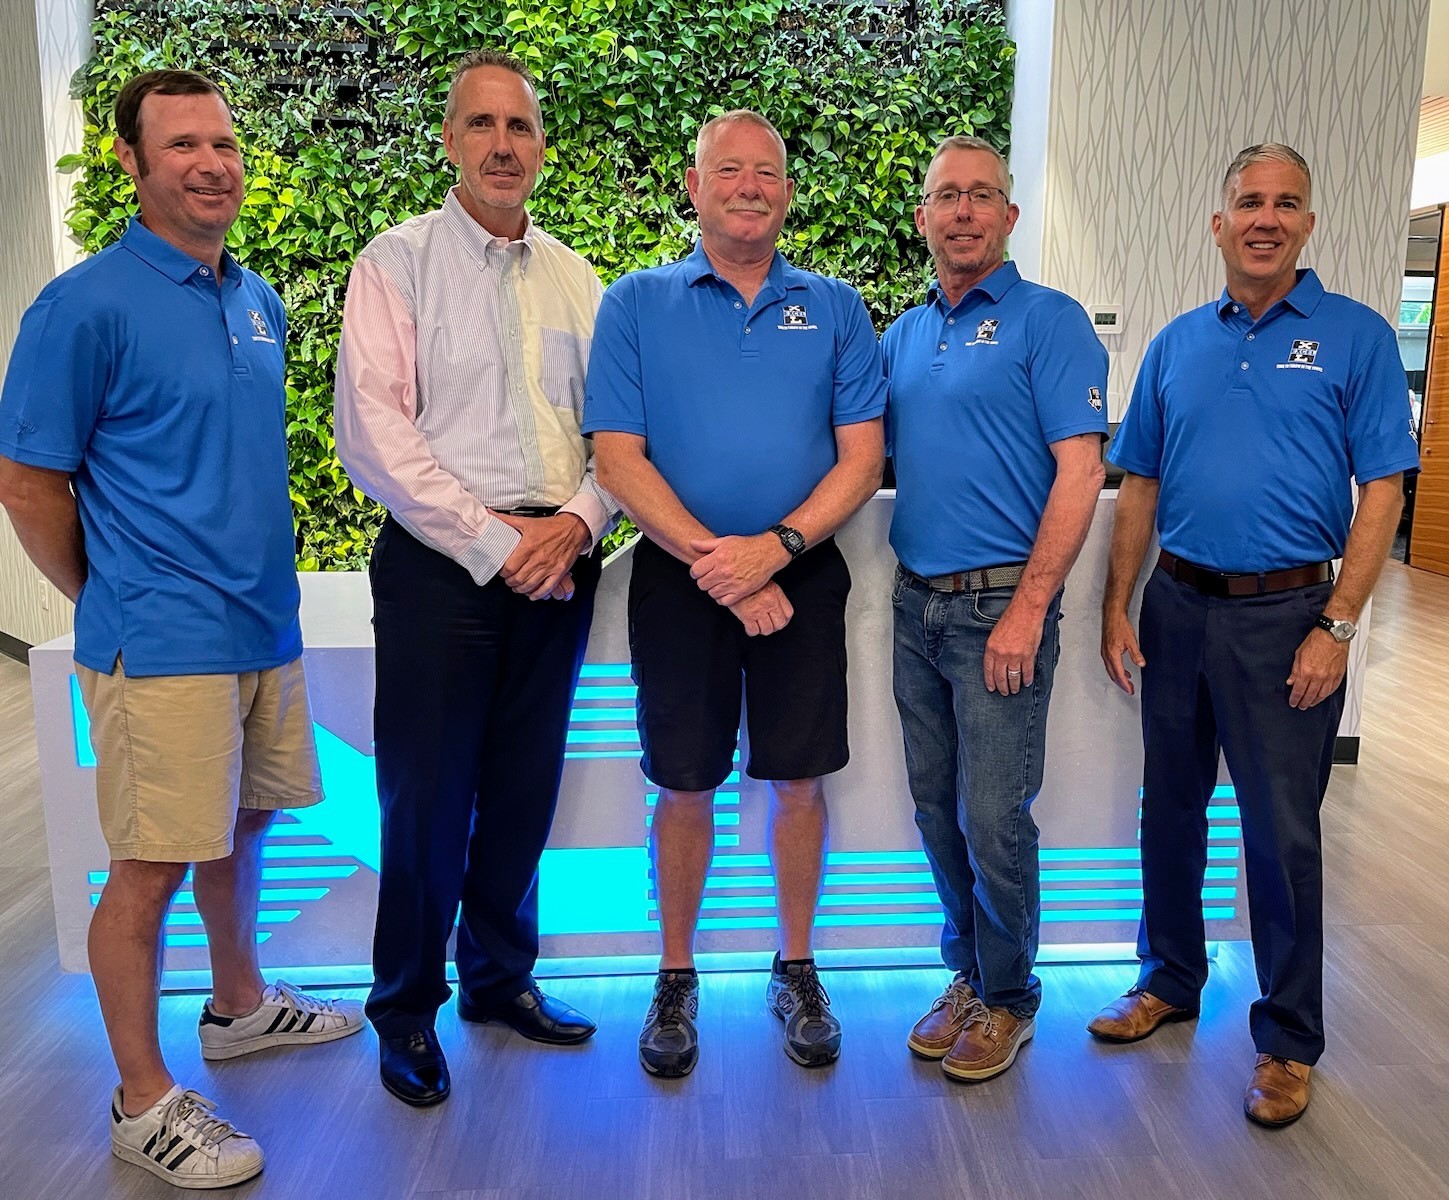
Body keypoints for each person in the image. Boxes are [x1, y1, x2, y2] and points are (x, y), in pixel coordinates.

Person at [0, 70, 363, 1190]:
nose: (213, 164)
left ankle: (240, 1006)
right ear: (132, 164)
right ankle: (140, 1099)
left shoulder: (257, 298)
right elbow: (27, 485)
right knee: (147, 867)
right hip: (161, 642)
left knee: (244, 827)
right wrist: (113, 597)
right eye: (184, 146)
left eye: (225, 144)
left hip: (263, 625)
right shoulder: (84, 306)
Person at [1090, 143, 1418, 1127]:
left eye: (1286, 203)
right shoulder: (1178, 344)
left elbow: (1382, 492)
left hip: (1289, 619)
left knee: (1281, 837)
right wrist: (1117, 599)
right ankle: (1169, 980)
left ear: (1309, 223)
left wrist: (1339, 624)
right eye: (1248, 202)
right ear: (1220, 222)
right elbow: (1137, 483)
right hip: (1176, 609)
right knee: (1170, 814)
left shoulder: (1355, 338)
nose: (1266, 218)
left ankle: (1286, 1042)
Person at [334, 49, 613, 1108]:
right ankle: (406, 1008)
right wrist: (503, 544)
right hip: (445, 572)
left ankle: (501, 983)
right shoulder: (396, 262)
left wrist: (582, 522)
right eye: (483, 125)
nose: (504, 145)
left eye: (522, 127)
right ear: (449, 141)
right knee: (425, 801)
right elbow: (373, 433)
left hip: (561, 568)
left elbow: (617, 434)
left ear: (542, 145)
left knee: (520, 797)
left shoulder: (579, 277)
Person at [584, 110, 886, 1078]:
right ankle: (675, 977)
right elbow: (617, 458)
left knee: (799, 777)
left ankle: (795, 966)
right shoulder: (636, 303)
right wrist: (721, 561)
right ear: (695, 183)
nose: (749, 186)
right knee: (682, 781)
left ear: (787, 191)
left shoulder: (837, 308)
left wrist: (778, 548)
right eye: (730, 170)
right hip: (680, 580)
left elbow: (862, 457)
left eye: (768, 171)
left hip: (802, 575)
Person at [883, 135, 1108, 1082]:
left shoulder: (1048, 323)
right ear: (924, 217)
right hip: (913, 608)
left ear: (1009, 216)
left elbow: (1080, 470)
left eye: (982, 196)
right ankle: (969, 974)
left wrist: (1026, 610)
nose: (964, 211)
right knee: (936, 810)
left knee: (994, 817)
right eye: (947, 197)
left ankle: (1011, 997)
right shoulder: (901, 333)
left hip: (996, 614)